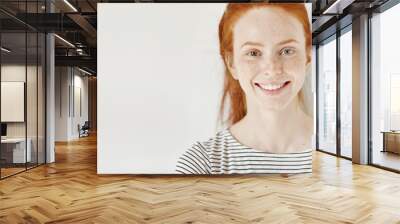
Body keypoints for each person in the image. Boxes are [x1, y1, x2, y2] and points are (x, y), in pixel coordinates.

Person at [176, 3, 313, 174]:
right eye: (253, 53)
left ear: (308, 55)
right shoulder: (202, 164)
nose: (272, 69)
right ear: (231, 63)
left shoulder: (333, 148)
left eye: (287, 51)